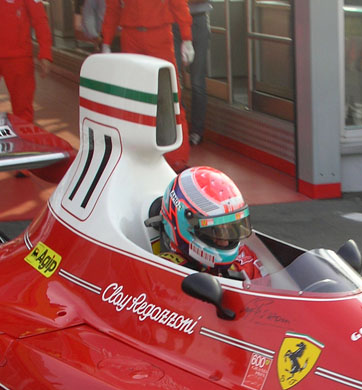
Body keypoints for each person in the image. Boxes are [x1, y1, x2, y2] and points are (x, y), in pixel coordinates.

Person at [102, 0, 194, 173]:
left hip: (159, 36)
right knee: (132, 101)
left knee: (170, 98)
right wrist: (106, 41)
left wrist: (187, 37)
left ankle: (177, 160)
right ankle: (135, 155)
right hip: (131, 37)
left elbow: (178, 3)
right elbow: (112, 7)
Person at [159, 166, 263, 279]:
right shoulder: (164, 271)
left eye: (230, 230)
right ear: (184, 226)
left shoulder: (245, 260)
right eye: (216, 232)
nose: (225, 243)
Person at [173, 0, 212, 146]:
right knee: (174, 79)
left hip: (199, 20)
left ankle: (197, 130)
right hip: (174, 21)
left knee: (197, 82)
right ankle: (179, 128)